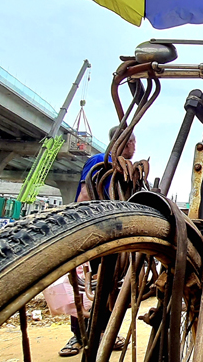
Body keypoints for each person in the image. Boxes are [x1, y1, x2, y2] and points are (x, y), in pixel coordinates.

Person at [59, 126, 135, 357]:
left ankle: (104, 333)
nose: (134, 146)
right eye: (133, 141)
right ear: (125, 140)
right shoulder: (100, 161)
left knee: (110, 286)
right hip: (95, 234)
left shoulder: (128, 170)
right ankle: (80, 334)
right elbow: (84, 196)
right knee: (87, 286)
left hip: (115, 236)